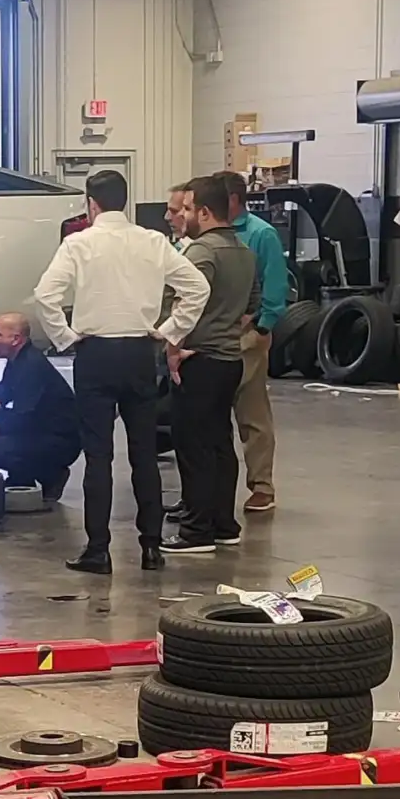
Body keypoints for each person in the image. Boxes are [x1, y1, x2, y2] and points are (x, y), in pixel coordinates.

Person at [34, 169, 211, 575]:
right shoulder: (153, 241)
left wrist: (65, 336)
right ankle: (151, 547)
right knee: (143, 454)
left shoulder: (78, 244)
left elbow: (47, 295)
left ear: (91, 203)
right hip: (139, 353)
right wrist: (168, 331)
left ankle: (98, 550)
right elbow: (197, 288)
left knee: (98, 457)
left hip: (94, 354)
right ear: (125, 201)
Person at [161, 176, 260, 554]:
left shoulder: (201, 253)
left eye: (187, 209)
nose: (182, 215)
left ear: (204, 212)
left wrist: (175, 346)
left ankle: (196, 530)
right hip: (230, 358)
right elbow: (252, 305)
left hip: (198, 360)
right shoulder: (244, 252)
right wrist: (226, 328)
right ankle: (223, 523)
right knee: (219, 442)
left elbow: (186, 305)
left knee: (193, 445)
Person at [213, 170, 288, 514]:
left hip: (247, 335)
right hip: (213, 335)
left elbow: (275, 286)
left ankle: (261, 485)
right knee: (210, 415)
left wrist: (261, 327)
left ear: (232, 200)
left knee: (252, 414)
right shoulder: (209, 235)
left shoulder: (261, 235)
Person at [0, 313, 81, 502]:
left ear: (16, 339)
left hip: (60, 441)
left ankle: (50, 474)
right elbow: (4, 388)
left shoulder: (31, 366)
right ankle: (22, 477)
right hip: (40, 427)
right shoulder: (19, 358)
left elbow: (24, 415)